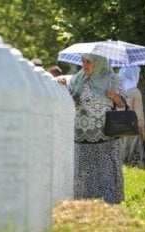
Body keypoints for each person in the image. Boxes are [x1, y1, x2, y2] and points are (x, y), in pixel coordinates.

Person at [56, 54, 126, 204]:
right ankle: (86, 205)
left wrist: (114, 97)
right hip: (82, 135)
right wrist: (63, 86)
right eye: (83, 61)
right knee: (84, 172)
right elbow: (70, 99)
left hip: (106, 135)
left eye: (89, 62)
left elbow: (123, 105)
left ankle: (109, 205)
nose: (85, 65)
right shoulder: (77, 79)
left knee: (106, 172)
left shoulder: (111, 79)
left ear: (99, 63)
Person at [118, 66, 145, 168]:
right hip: (132, 126)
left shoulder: (118, 89)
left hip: (118, 125)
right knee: (133, 153)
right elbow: (139, 114)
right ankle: (134, 166)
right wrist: (143, 129)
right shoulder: (135, 91)